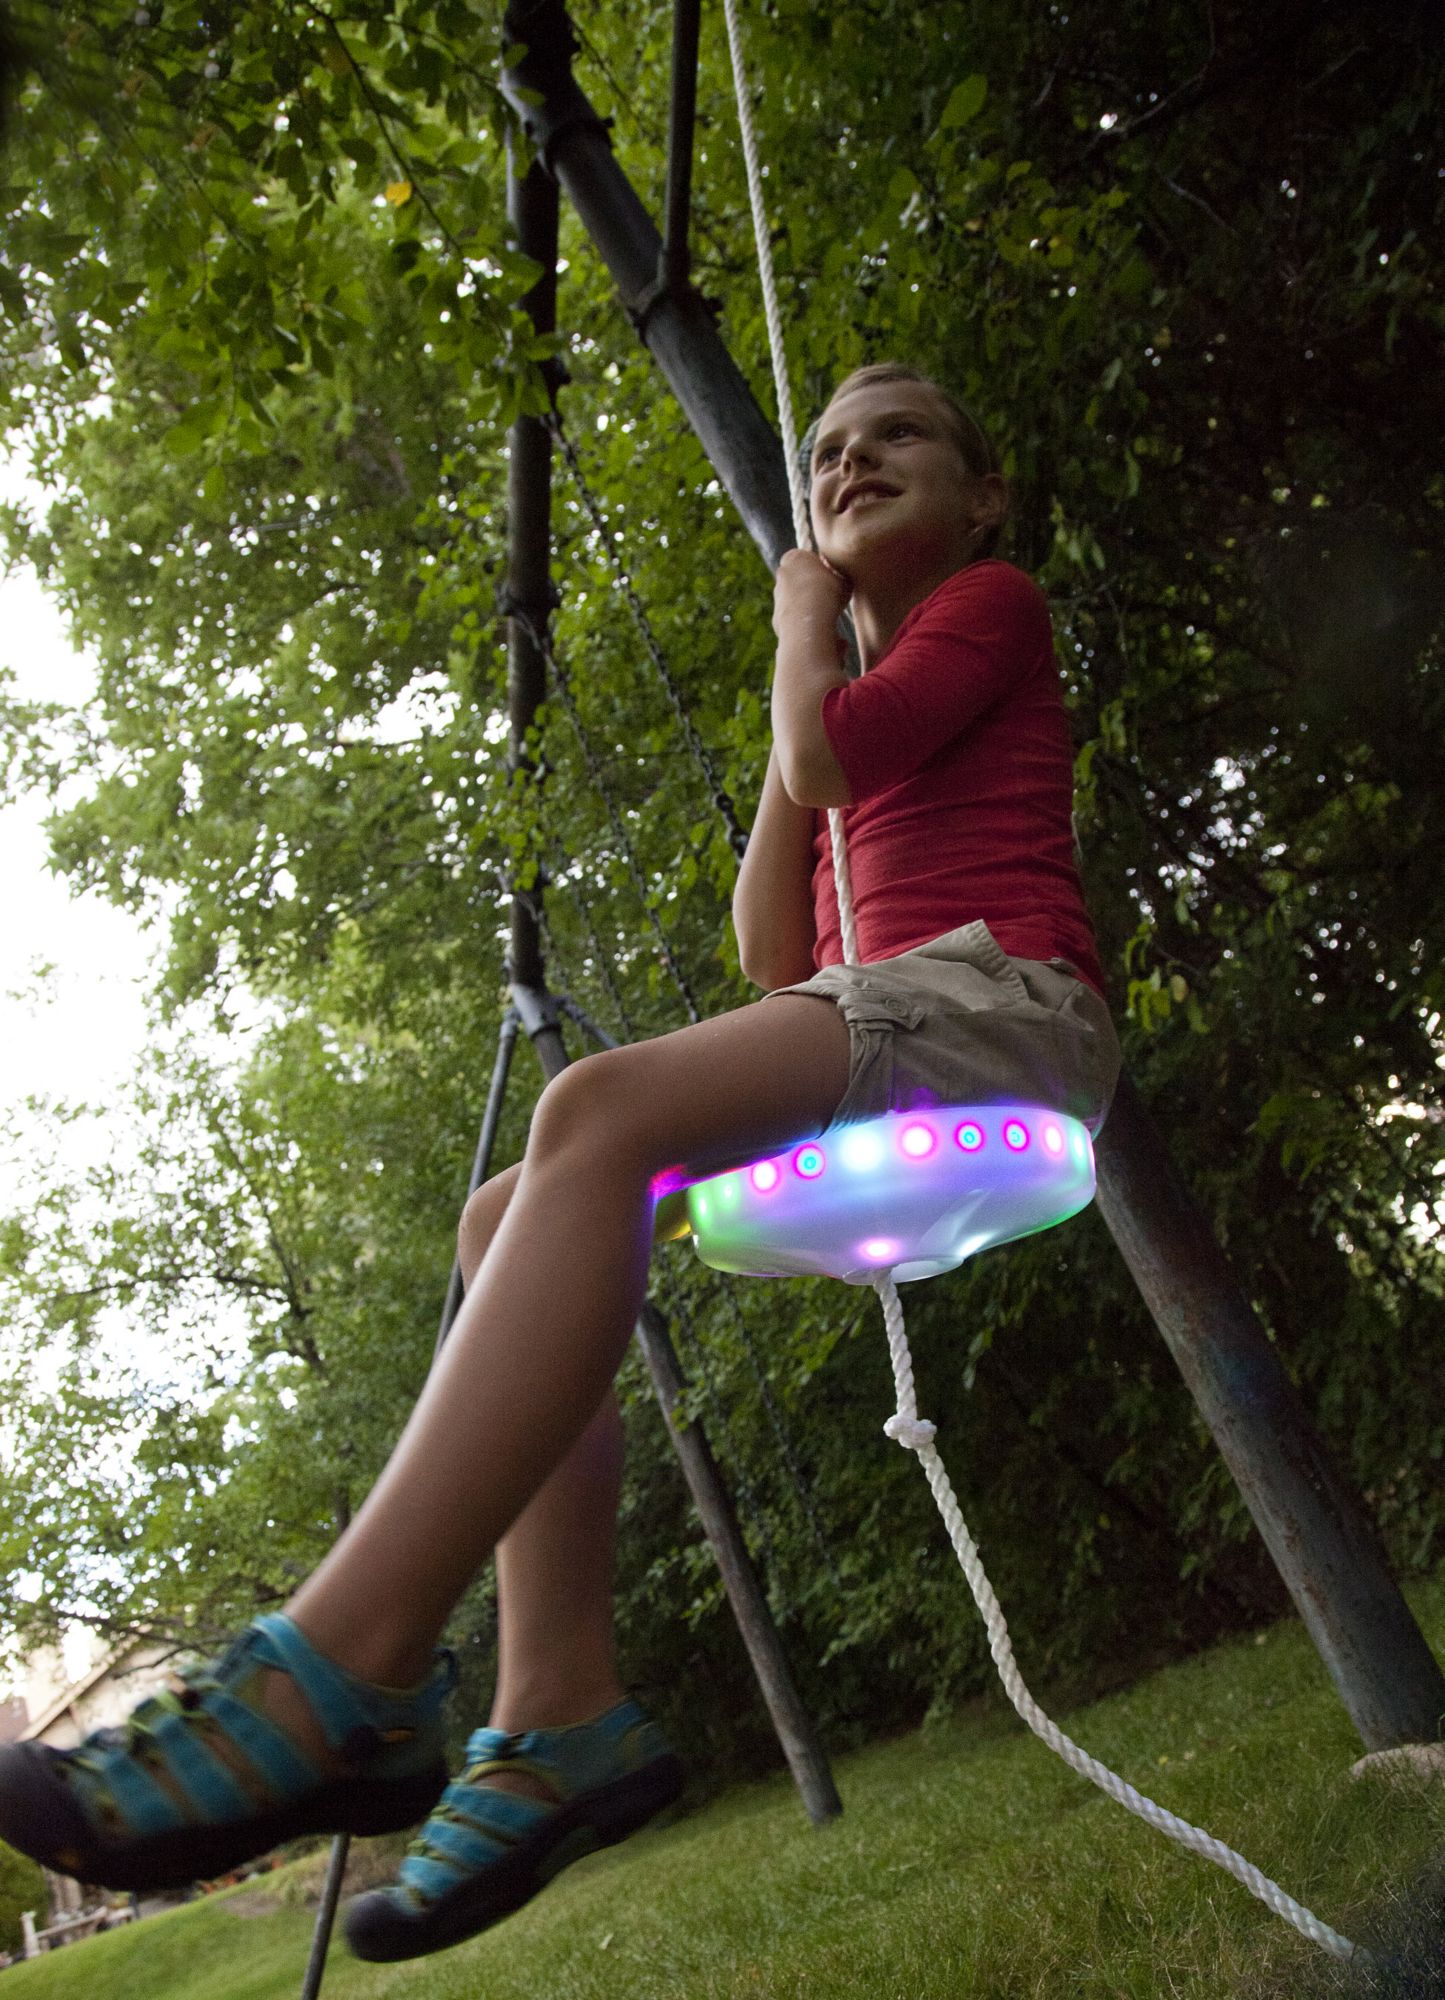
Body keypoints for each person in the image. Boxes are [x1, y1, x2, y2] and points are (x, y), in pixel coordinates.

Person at [0, 363, 1120, 1962]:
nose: (849, 460)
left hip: (1001, 1004)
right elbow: (771, 944)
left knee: (592, 1110)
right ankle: (556, 1709)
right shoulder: (835, 690)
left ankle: (336, 1668)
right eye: (822, 451)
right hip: (894, 1016)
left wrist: (800, 632)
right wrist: (804, 663)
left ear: (982, 494)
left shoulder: (986, 606)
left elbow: (831, 766)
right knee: (501, 1213)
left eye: (899, 435)